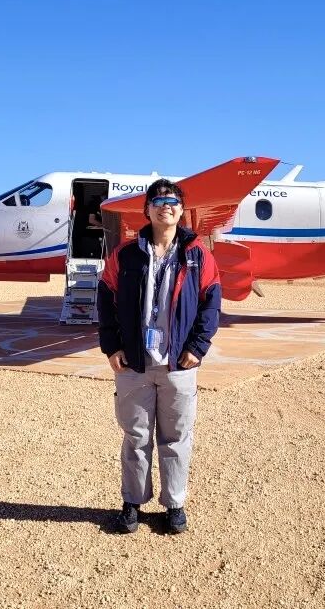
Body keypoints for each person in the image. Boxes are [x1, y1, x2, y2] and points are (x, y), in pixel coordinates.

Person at [96, 179, 221, 534]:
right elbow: (105, 298)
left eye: (173, 201)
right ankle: (132, 502)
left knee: (176, 438)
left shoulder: (198, 255)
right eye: (158, 200)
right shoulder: (125, 255)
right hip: (134, 363)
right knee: (135, 437)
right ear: (147, 210)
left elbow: (212, 302)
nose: (166, 205)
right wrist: (112, 346)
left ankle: (174, 504)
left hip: (178, 363)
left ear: (181, 211)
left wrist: (197, 347)